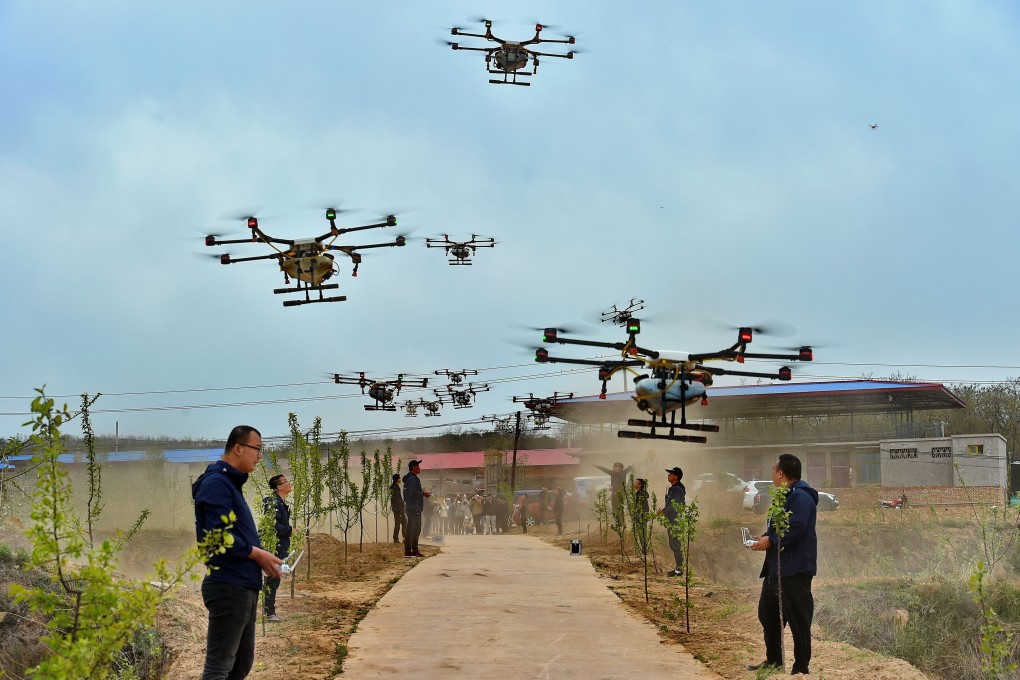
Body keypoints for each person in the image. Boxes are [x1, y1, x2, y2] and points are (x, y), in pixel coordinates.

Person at [192, 425, 282, 680]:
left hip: (242, 585)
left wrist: (260, 558)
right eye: (258, 449)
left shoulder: (229, 483)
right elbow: (217, 535)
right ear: (238, 447)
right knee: (219, 669)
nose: (260, 456)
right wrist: (256, 554)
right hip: (228, 585)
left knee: (239, 666)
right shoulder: (216, 483)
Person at [748, 453, 818, 676]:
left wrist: (772, 540)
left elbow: (795, 528)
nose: (772, 474)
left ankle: (801, 668)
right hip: (776, 568)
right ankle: (775, 659)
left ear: (780, 473)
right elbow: (779, 527)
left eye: (773, 469)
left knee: (798, 620)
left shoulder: (801, 497)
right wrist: (764, 538)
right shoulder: (784, 496)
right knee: (767, 614)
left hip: (794, 569)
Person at [262, 473, 293, 623]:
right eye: (286, 482)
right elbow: (272, 524)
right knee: (272, 579)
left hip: (279, 546)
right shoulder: (272, 502)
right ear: (279, 487)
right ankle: (269, 614)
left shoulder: (280, 503)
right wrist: (289, 531)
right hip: (273, 546)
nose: (289, 484)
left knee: (274, 578)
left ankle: (269, 612)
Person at [657, 466, 686, 577]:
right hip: (672, 521)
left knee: (676, 545)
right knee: (674, 545)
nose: (668, 475)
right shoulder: (674, 488)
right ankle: (678, 569)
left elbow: (677, 507)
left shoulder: (677, 489)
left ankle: (679, 570)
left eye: (671, 474)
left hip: (675, 521)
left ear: (676, 476)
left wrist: (663, 511)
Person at [594, 461, 634, 531]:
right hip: (614, 493)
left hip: (620, 493)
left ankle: (621, 524)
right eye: (616, 468)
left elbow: (628, 469)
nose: (617, 469)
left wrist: (632, 465)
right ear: (614, 468)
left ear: (621, 469)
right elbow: (605, 470)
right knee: (614, 508)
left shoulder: (623, 473)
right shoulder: (613, 474)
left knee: (619, 509)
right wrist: (597, 466)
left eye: (619, 468)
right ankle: (618, 523)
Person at [403, 460, 431, 557]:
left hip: (413, 507)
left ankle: (410, 550)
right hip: (414, 507)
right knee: (414, 529)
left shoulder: (411, 478)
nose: (420, 468)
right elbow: (413, 493)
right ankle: (412, 550)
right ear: (414, 467)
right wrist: (423, 493)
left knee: (412, 528)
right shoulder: (412, 479)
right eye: (418, 466)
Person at [633, 478, 650, 554]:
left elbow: (640, 507)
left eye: (636, 482)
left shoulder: (641, 494)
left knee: (642, 533)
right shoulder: (639, 493)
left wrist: (636, 513)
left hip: (641, 516)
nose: (634, 483)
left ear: (640, 485)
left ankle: (644, 549)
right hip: (641, 516)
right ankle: (644, 549)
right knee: (642, 533)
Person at [390, 473, 405, 544]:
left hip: (397, 508)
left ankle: (402, 538)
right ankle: (396, 539)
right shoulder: (395, 488)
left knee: (402, 522)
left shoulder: (394, 487)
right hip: (398, 509)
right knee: (399, 523)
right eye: (399, 478)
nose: (400, 479)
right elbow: (396, 499)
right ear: (397, 479)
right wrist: (403, 503)